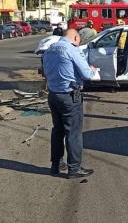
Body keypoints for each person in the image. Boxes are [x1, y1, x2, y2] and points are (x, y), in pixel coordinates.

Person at [43, 29, 98, 179]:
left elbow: (45, 71)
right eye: (79, 41)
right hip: (69, 96)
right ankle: (74, 168)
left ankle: (55, 165)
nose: (78, 44)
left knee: (58, 131)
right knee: (73, 133)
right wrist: (92, 70)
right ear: (75, 37)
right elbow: (86, 74)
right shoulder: (71, 50)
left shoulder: (50, 49)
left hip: (53, 95)